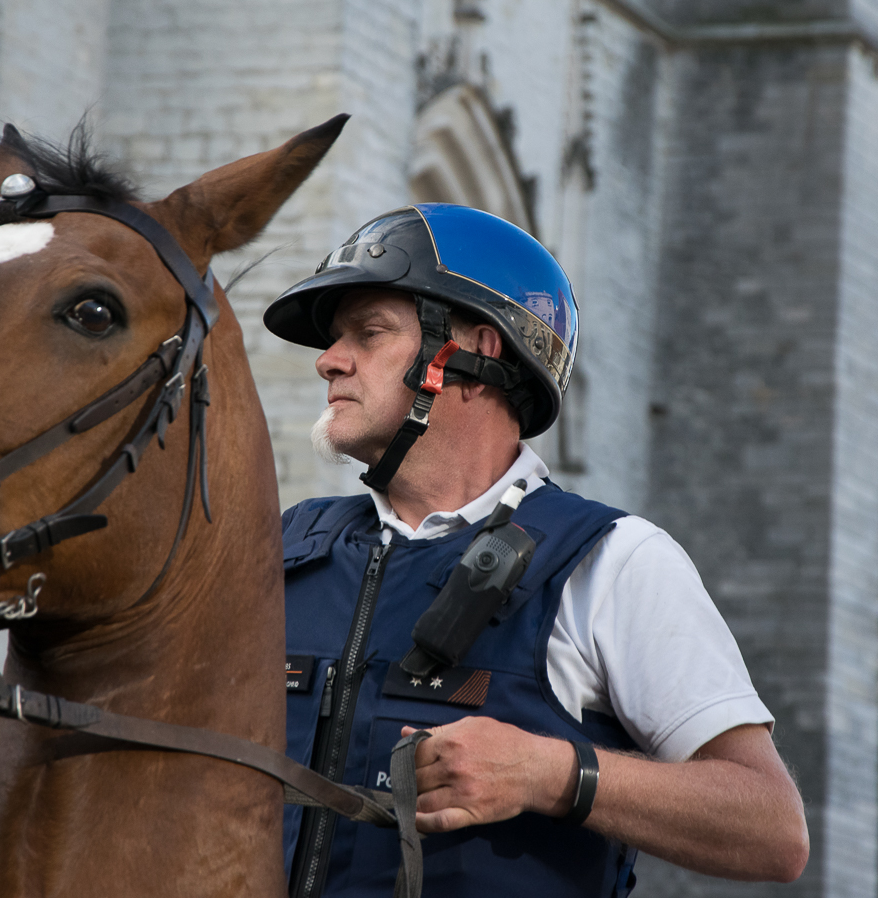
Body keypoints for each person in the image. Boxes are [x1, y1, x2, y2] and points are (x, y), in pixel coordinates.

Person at [263, 204, 808, 898]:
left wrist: (551, 774)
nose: (328, 360)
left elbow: (773, 829)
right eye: (336, 339)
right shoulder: (285, 547)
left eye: (369, 333)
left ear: (478, 354)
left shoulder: (614, 563)